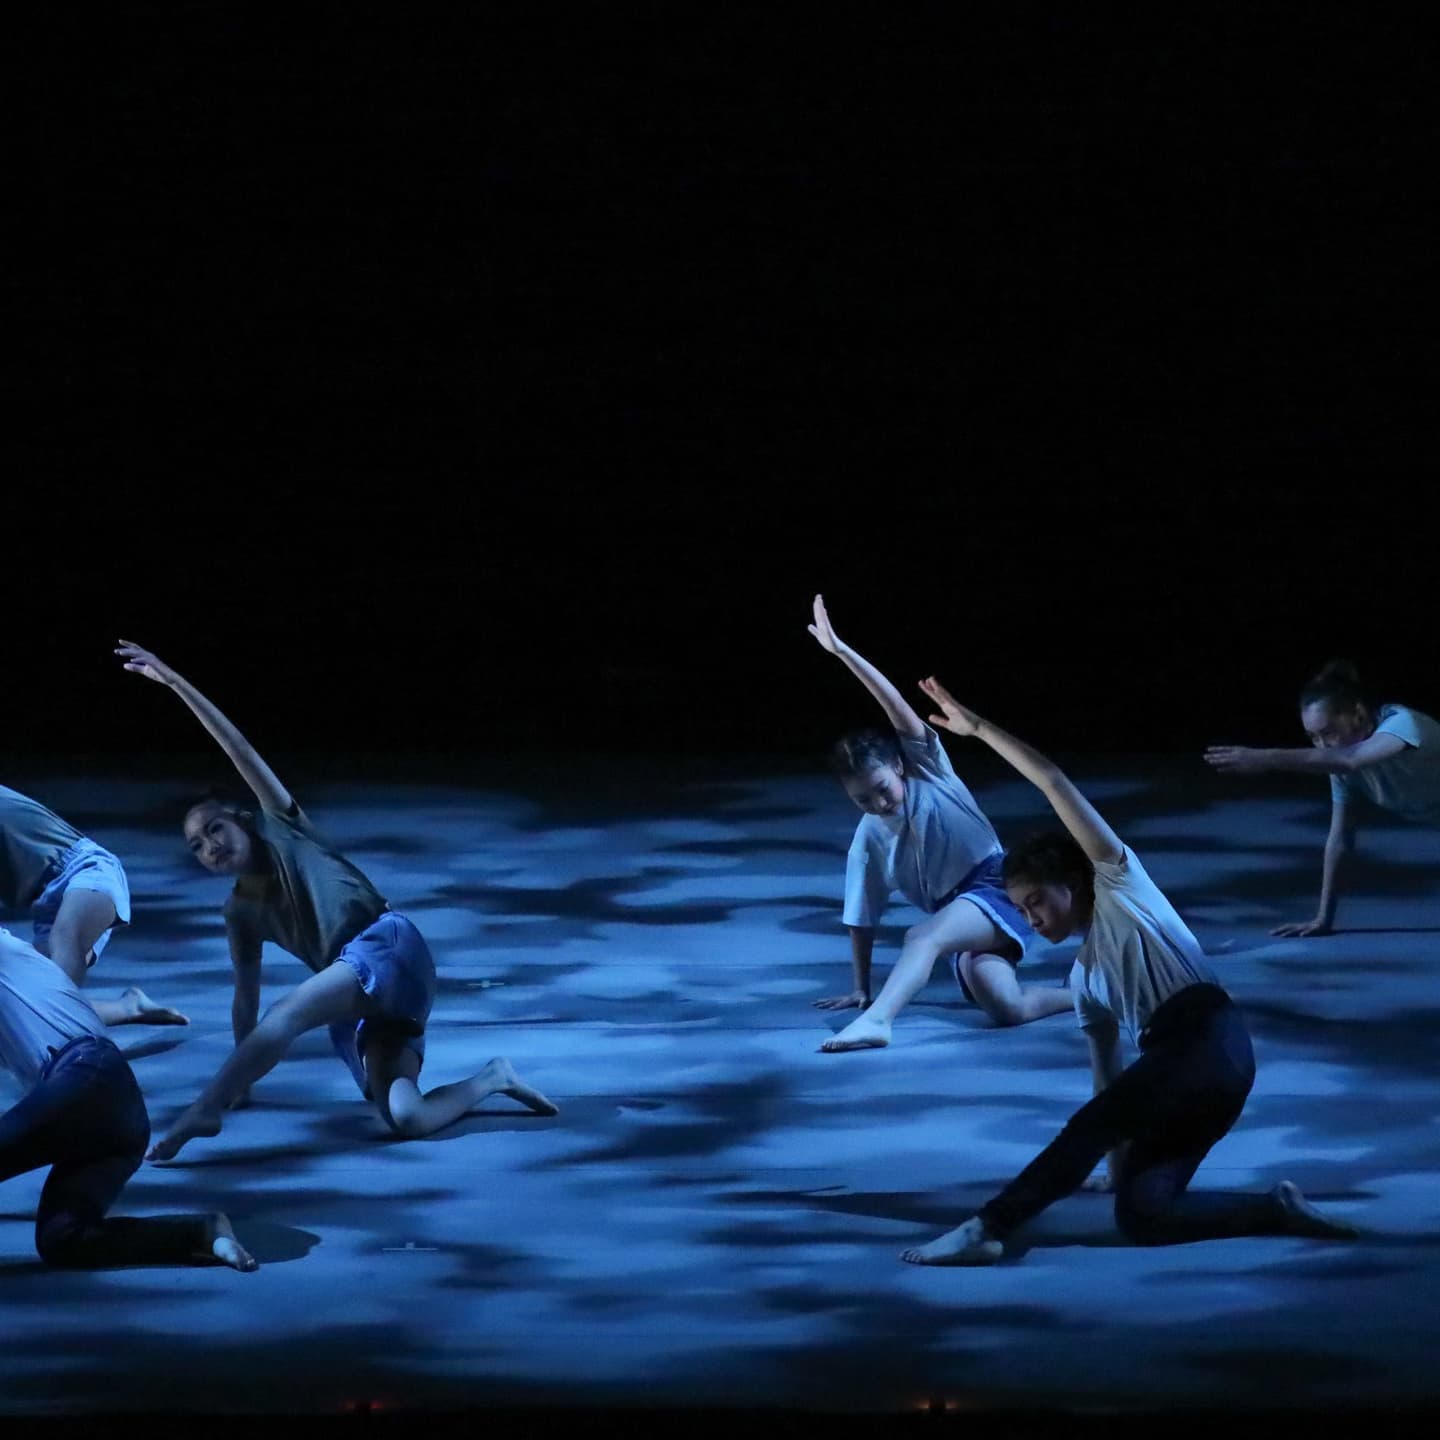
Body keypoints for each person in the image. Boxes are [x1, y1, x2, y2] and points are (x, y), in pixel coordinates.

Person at [900, 677, 1356, 1266]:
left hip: (1206, 1040)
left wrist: (980, 729)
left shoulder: (1121, 886)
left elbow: (1053, 782)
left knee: (1086, 1128)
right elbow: (1108, 1080)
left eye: (1037, 901)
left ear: (1072, 884)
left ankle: (987, 1227)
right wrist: (1114, 1170)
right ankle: (1273, 1210)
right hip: (1200, 1073)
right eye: (1020, 909)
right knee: (1143, 1214)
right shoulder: (1084, 980)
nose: (1030, 918)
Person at [114, 640, 559, 1162]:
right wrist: (245, 1077)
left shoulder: (284, 826)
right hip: (359, 997)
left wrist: (174, 682)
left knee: (289, 1012)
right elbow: (244, 998)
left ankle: (202, 1111)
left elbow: (239, 749)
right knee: (407, 1118)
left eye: (215, 828)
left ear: (243, 819)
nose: (210, 845)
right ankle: (492, 1079)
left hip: (388, 949)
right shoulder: (240, 912)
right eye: (197, 845)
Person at [806, 596, 1070, 1052]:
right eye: (862, 799)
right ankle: (1086, 994)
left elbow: (896, 707)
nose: (877, 803)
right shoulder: (868, 840)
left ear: (898, 766)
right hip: (958, 916)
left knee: (921, 936)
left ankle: (878, 1021)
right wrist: (860, 986)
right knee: (1007, 1009)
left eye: (882, 788)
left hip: (998, 886)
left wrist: (843, 652)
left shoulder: (929, 770)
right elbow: (861, 918)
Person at [1, 924, 255, 1269]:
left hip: (86, 1075)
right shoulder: (23, 986)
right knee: (63, 1239)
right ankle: (201, 1233)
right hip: (116, 1112)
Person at [1205, 659, 1440, 936]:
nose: (1322, 745)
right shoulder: (1341, 769)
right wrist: (1323, 919)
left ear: (1357, 713)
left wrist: (1265, 757)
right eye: (1313, 737)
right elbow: (1339, 839)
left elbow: (1352, 759)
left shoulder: (1402, 724)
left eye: (1328, 732)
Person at [2, 782, 186, 1027]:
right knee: (31, 1010)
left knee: (64, 940)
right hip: (44, 901)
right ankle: (128, 1007)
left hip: (85, 868)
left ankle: (70, 1034)